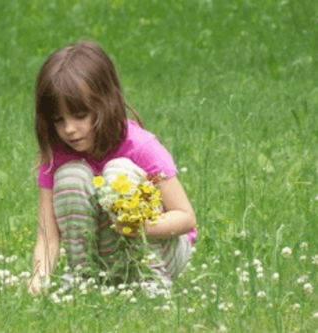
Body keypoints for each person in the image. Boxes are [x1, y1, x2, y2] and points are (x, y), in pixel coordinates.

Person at [28, 40, 197, 295]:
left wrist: (139, 225)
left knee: (118, 171)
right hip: (107, 256)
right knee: (71, 176)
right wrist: (39, 279)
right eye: (58, 120)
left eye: (80, 115)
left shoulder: (140, 146)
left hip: (161, 249)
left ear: (105, 103)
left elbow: (185, 218)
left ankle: (149, 280)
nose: (69, 129)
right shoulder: (57, 156)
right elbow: (48, 235)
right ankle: (85, 278)